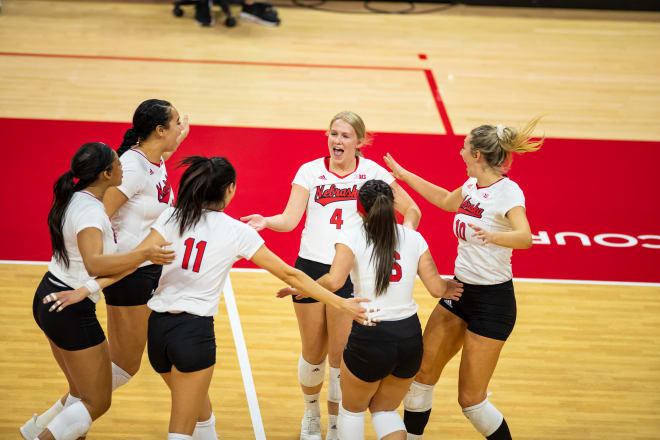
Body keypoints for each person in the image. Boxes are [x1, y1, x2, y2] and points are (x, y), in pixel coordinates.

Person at [46, 156, 375, 440]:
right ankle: (42, 434)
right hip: (193, 335)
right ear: (229, 190)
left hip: (158, 332)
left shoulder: (172, 218)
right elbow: (291, 275)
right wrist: (340, 302)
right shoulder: (236, 232)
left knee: (202, 413)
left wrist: (86, 289)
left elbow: (134, 260)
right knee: (181, 428)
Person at [240, 111, 421, 440]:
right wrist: (267, 221)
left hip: (349, 270)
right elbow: (291, 219)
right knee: (313, 350)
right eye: (334, 134)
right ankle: (311, 413)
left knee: (339, 355)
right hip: (310, 266)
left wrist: (400, 239)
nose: (338, 141)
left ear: (360, 142)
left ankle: (336, 421)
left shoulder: (373, 173)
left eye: (346, 136)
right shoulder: (309, 171)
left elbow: (412, 209)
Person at [383, 119, 543, 440]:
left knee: (471, 401)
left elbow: (525, 237)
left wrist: (496, 236)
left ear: (478, 154)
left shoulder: (508, 192)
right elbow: (444, 200)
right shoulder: (472, 186)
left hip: (493, 305)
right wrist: (403, 176)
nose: (460, 150)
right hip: (459, 292)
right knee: (421, 376)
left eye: (465, 146)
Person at [278, 179, 463, 440]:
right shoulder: (413, 237)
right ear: (391, 205)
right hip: (409, 339)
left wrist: (303, 287)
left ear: (359, 207)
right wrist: (451, 287)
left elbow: (334, 281)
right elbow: (436, 288)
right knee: (385, 411)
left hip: (371, 336)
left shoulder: (352, 237)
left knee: (352, 411)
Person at [21, 142, 174, 440]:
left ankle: (39, 430)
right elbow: (94, 263)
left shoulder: (77, 198)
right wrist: (144, 255)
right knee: (97, 401)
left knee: (81, 397)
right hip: (70, 309)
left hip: (51, 296)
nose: (123, 165)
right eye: (118, 163)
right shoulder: (90, 212)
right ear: (106, 174)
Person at [101, 98, 188, 398]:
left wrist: (181, 131)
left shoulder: (156, 157)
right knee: (122, 367)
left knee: (125, 365)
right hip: (128, 273)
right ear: (160, 130)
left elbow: (171, 145)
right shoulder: (132, 168)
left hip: (149, 269)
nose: (181, 128)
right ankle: (54, 425)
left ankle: (65, 422)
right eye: (176, 123)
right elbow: (97, 214)